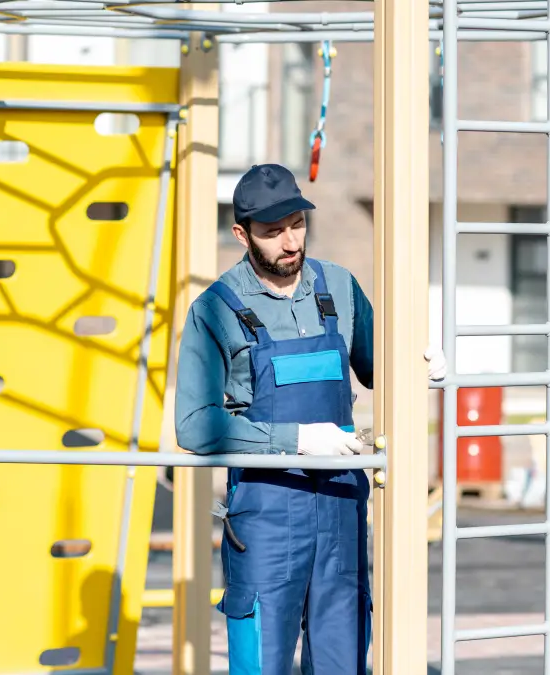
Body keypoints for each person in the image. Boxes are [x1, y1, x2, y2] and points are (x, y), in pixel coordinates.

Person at [174, 163, 447, 674]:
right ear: (242, 234)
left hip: (342, 511)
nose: (290, 241)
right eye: (273, 232)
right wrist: (296, 439)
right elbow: (194, 424)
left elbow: (378, 368)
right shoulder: (215, 310)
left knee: (343, 662)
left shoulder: (339, 287)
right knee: (263, 662)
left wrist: (420, 365)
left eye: (297, 224)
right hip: (266, 517)